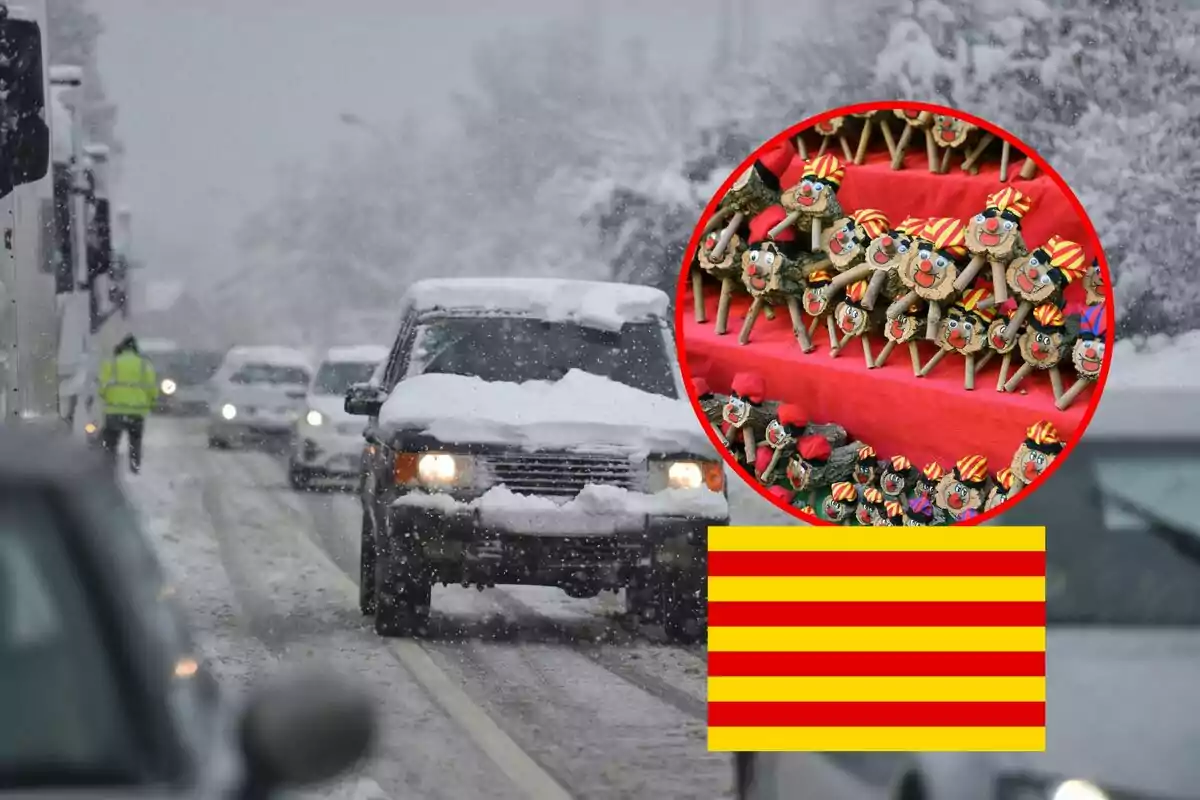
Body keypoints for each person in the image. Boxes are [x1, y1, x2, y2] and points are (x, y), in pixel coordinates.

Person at [97, 335, 158, 473]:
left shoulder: (111, 364)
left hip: (114, 411)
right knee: (135, 441)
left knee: (111, 443)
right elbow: (152, 389)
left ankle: (108, 467)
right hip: (136, 412)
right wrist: (150, 404)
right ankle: (134, 466)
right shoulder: (145, 365)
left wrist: (108, 398)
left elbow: (102, 388)